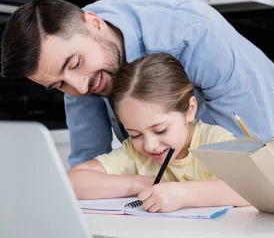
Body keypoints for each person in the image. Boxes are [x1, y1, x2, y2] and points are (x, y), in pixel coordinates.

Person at [0, 0, 274, 167]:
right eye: (59, 85)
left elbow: (256, 160)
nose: (79, 88)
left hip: (248, 105)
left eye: (75, 64)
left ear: (95, 24)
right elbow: (88, 163)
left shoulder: (194, 39)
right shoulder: (72, 67)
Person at [68, 53, 249, 212]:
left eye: (161, 130)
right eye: (135, 134)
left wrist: (184, 194)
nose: (150, 145)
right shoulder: (133, 152)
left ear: (190, 109)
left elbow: (253, 188)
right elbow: (74, 181)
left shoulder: (213, 141)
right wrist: (141, 183)